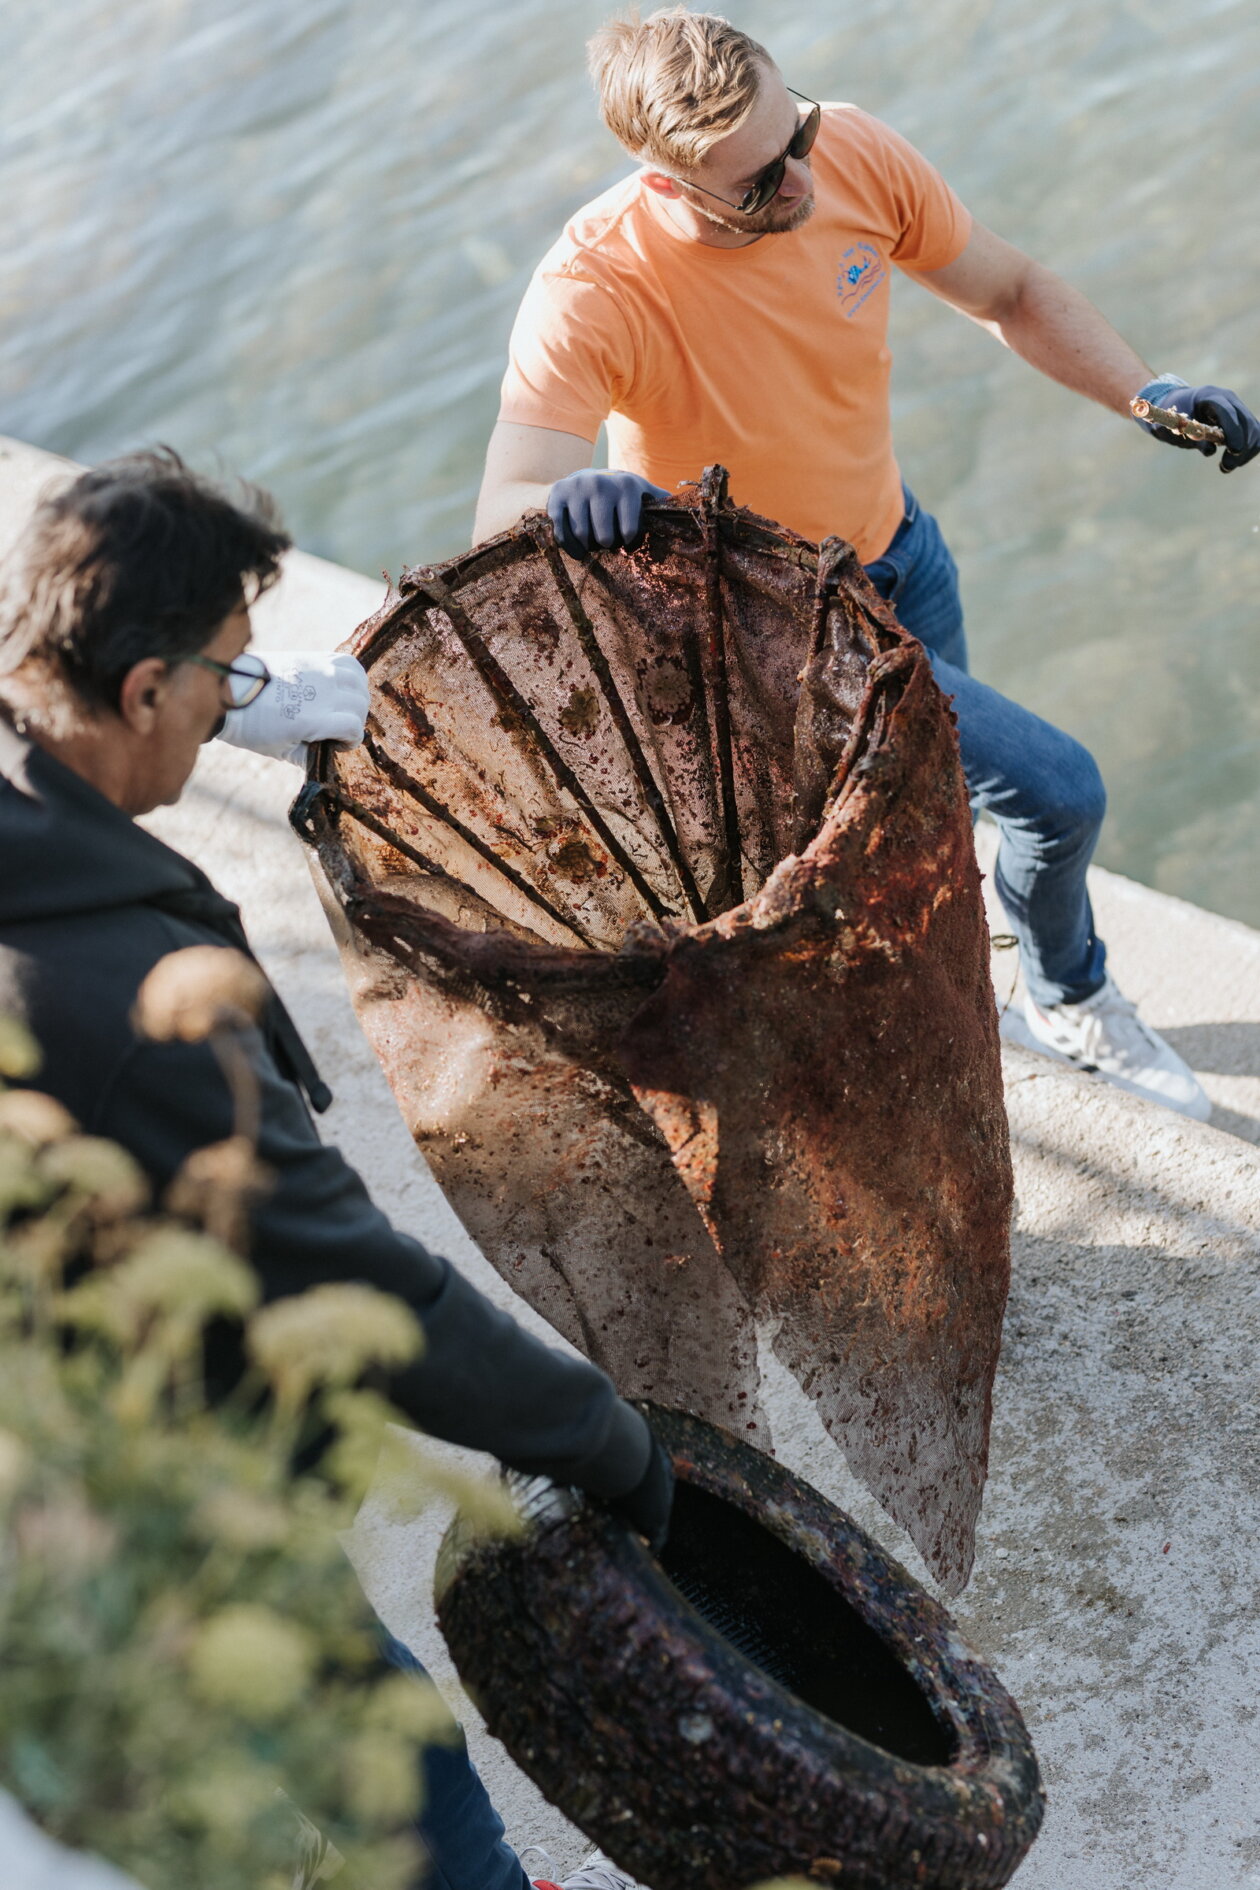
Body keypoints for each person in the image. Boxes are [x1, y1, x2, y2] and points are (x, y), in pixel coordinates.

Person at [0, 449, 664, 1890]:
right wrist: (601, 1437)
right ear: (138, 693)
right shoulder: (131, 1009)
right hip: (128, 1485)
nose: (232, 709)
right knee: (405, 1776)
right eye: (225, 680)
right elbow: (360, 1276)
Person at [474, 5, 1260, 1122]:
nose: (797, 184)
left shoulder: (845, 149)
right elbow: (500, 507)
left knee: (939, 805)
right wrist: (567, 500)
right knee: (1054, 795)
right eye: (755, 186)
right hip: (782, 624)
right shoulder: (593, 291)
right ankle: (1067, 994)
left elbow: (1011, 292)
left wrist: (1145, 391)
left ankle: (982, 956)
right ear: (664, 185)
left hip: (901, 552)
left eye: (791, 137)